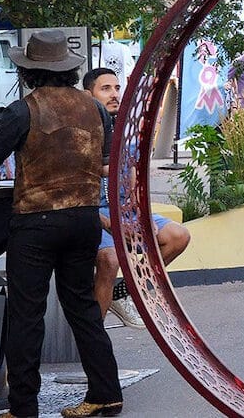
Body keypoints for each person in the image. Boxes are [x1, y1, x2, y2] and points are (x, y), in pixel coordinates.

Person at [0, 30, 123, 418]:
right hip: (84, 217)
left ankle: (23, 407)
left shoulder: (24, 109)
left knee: (27, 314)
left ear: (29, 72)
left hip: (36, 222)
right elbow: (106, 158)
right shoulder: (92, 108)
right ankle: (106, 393)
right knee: (82, 308)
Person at [80, 68, 192, 329]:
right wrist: (112, 224)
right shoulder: (81, 133)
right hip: (95, 215)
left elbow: (133, 182)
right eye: (106, 89)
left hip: (123, 213)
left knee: (177, 236)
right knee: (110, 260)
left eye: (117, 88)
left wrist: (141, 217)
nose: (114, 94)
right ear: (88, 95)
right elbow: (76, 192)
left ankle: (129, 291)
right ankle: (94, 339)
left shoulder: (125, 131)